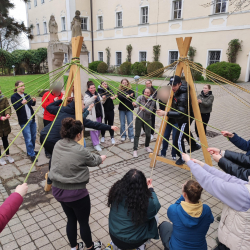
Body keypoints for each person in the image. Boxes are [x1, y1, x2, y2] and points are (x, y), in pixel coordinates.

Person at [49, 118, 105, 250]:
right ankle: (90, 247)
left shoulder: (58, 144)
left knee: (71, 219)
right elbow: (94, 160)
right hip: (76, 195)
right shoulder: (80, 150)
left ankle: (74, 247)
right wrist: (101, 158)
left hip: (58, 190)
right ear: (78, 134)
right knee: (83, 222)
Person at [40, 98, 118, 191]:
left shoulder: (63, 109)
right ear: (77, 105)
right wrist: (109, 127)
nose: (84, 106)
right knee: (57, 159)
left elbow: (50, 107)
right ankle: (53, 180)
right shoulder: (76, 118)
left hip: (44, 135)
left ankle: (50, 180)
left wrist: (61, 100)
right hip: (52, 139)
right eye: (83, 105)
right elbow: (93, 124)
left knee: (55, 157)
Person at [182, 153, 250, 250]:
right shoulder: (205, 209)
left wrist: (189, 162)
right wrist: (202, 165)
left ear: (184, 194)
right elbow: (229, 178)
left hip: (235, 246)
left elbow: (210, 181)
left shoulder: (245, 194)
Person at [106, 169, 161, 250]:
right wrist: (150, 189)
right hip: (133, 242)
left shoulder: (116, 192)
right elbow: (156, 206)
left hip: (114, 236)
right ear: (141, 186)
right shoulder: (145, 201)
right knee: (155, 218)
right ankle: (139, 247)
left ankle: (113, 245)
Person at [156, 76, 200, 165]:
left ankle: (183, 157)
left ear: (180, 84)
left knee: (177, 141)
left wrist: (166, 113)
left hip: (184, 119)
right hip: (182, 118)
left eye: (175, 85)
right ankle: (194, 145)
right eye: (171, 85)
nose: (172, 87)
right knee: (186, 132)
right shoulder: (178, 91)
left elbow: (181, 113)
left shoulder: (183, 95)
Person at [159, 180, 214, 250]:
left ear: (184, 194)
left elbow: (174, 209)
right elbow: (211, 220)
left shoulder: (173, 210)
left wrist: (183, 195)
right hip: (200, 248)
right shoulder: (206, 209)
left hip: (177, 248)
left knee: (164, 225)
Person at [11, 81, 37, 162]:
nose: (23, 87)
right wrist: (21, 103)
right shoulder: (14, 97)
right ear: (16, 87)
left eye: (24, 86)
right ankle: (31, 154)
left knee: (33, 136)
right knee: (28, 138)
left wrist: (34, 101)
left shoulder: (26, 95)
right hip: (24, 121)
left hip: (31, 119)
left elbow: (32, 105)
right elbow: (16, 107)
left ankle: (31, 151)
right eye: (21, 86)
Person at [132, 87, 156, 157]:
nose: (146, 94)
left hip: (148, 119)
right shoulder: (140, 97)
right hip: (139, 118)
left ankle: (147, 146)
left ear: (150, 93)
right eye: (145, 92)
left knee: (148, 134)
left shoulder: (152, 100)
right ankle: (135, 149)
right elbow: (136, 104)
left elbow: (150, 112)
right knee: (137, 134)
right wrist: (134, 104)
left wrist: (144, 109)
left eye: (148, 93)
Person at [42, 83, 63, 158]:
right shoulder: (47, 94)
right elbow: (44, 105)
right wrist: (53, 101)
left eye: (58, 91)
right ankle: (47, 151)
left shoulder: (62, 95)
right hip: (48, 118)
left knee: (58, 135)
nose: (57, 92)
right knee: (47, 136)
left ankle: (56, 150)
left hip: (58, 118)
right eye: (56, 91)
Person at [84, 81, 106, 151]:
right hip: (92, 115)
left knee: (99, 128)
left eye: (94, 87)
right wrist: (93, 98)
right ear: (88, 89)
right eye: (91, 88)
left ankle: (96, 141)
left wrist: (104, 98)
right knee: (93, 130)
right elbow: (86, 103)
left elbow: (101, 102)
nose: (93, 89)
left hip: (99, 114)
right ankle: (95, 144)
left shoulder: (97, 94)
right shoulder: (87, 95)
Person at [0, 90, 14, 165]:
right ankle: (0, 157)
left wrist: (7, 114)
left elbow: (8, 107)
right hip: (1, 120)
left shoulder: (4, 98)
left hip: (4, 123)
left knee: (5, 139)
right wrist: (0, 117)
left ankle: (7, 155)